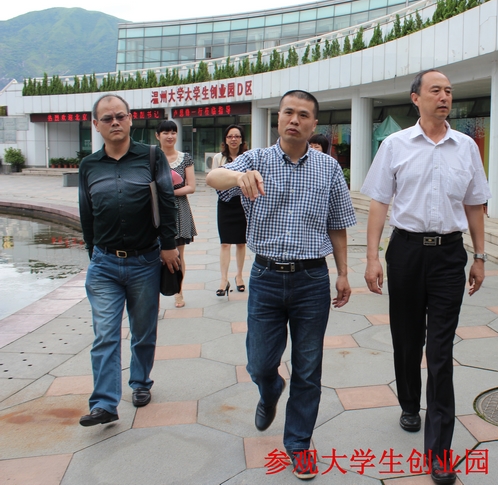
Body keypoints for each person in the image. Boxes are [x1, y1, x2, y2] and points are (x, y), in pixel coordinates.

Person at [206, 90, 356, 479]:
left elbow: (338, 224)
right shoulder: (255, 159)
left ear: (314, 124)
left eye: (303, 115)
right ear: (278, 118)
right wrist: (238, 176)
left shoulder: (328, 168)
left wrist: (342, 272)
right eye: (288, 112)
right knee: (259, 362)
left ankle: (299, 445)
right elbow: (212, 178)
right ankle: (270, 388)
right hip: (266, 276)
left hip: (311, 278)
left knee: (308, 367)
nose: (294, 120)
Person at [362, 69, 491, 485]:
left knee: (440, 351)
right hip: (405, 251)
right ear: (415, 98)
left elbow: (475, 205)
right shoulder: (395, 145)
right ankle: (408, 403)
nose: (444, 96)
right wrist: (372, 258)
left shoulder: (466, 147)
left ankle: (439, 452)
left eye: (449, 91)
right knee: (406, 339)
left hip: (449, 255)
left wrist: (480, 257)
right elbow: (379, 203)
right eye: (435, 90)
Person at [78, 94, 180, 426]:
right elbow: (86, 213)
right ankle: (104, 403)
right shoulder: (88, 165)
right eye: (107, 119)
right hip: (104, 264)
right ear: (96, 125)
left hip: (145, 260)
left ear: (131, 119)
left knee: (143, 330)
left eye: (120, 116)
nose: (115, 123)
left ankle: (140, 382)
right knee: (105, 334)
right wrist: (93, 253)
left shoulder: (151, 156)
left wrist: (169, 246)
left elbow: (167, 201)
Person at [155, 120, 197, 307]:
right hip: (156, 210)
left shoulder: (185, 158)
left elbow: (191, 186)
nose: (170, 136)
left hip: (179, 209)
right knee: (154, 255)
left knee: (178, 254)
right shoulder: (152, 158)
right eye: (165, 133)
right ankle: (153, 296)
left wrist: (167, 193)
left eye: (173, 132)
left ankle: (178, 292)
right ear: (158, 136)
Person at [211, 124, 248, 296]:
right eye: (230, 136)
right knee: (225, 243)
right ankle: (223, 279)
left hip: (242, 203)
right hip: (225, 203)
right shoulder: (219, 158)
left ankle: (239, 276)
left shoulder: (247, 158)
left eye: (237, 136)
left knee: (241, 242)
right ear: (225, 140)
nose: (233, 139)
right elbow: (214, 180)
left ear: (242, 140)